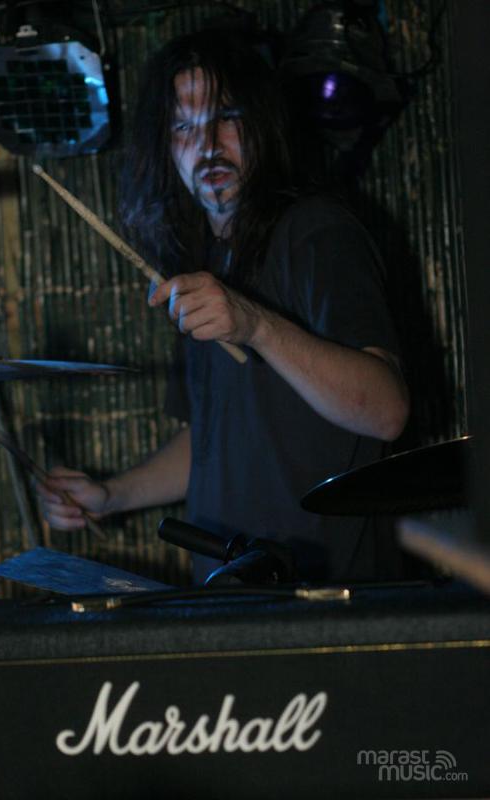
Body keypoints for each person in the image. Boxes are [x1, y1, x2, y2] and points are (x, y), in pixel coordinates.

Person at [38, 29, 410, 584]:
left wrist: (255, 324)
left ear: (262, 124)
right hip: (228, 591)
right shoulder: (203, 264)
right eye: (183, 126)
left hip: (327, 594)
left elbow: (386, 410)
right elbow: (211, 441)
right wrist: (111, 494)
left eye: (226, 116)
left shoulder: (316, 232)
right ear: (165, 149)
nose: (207, 144)